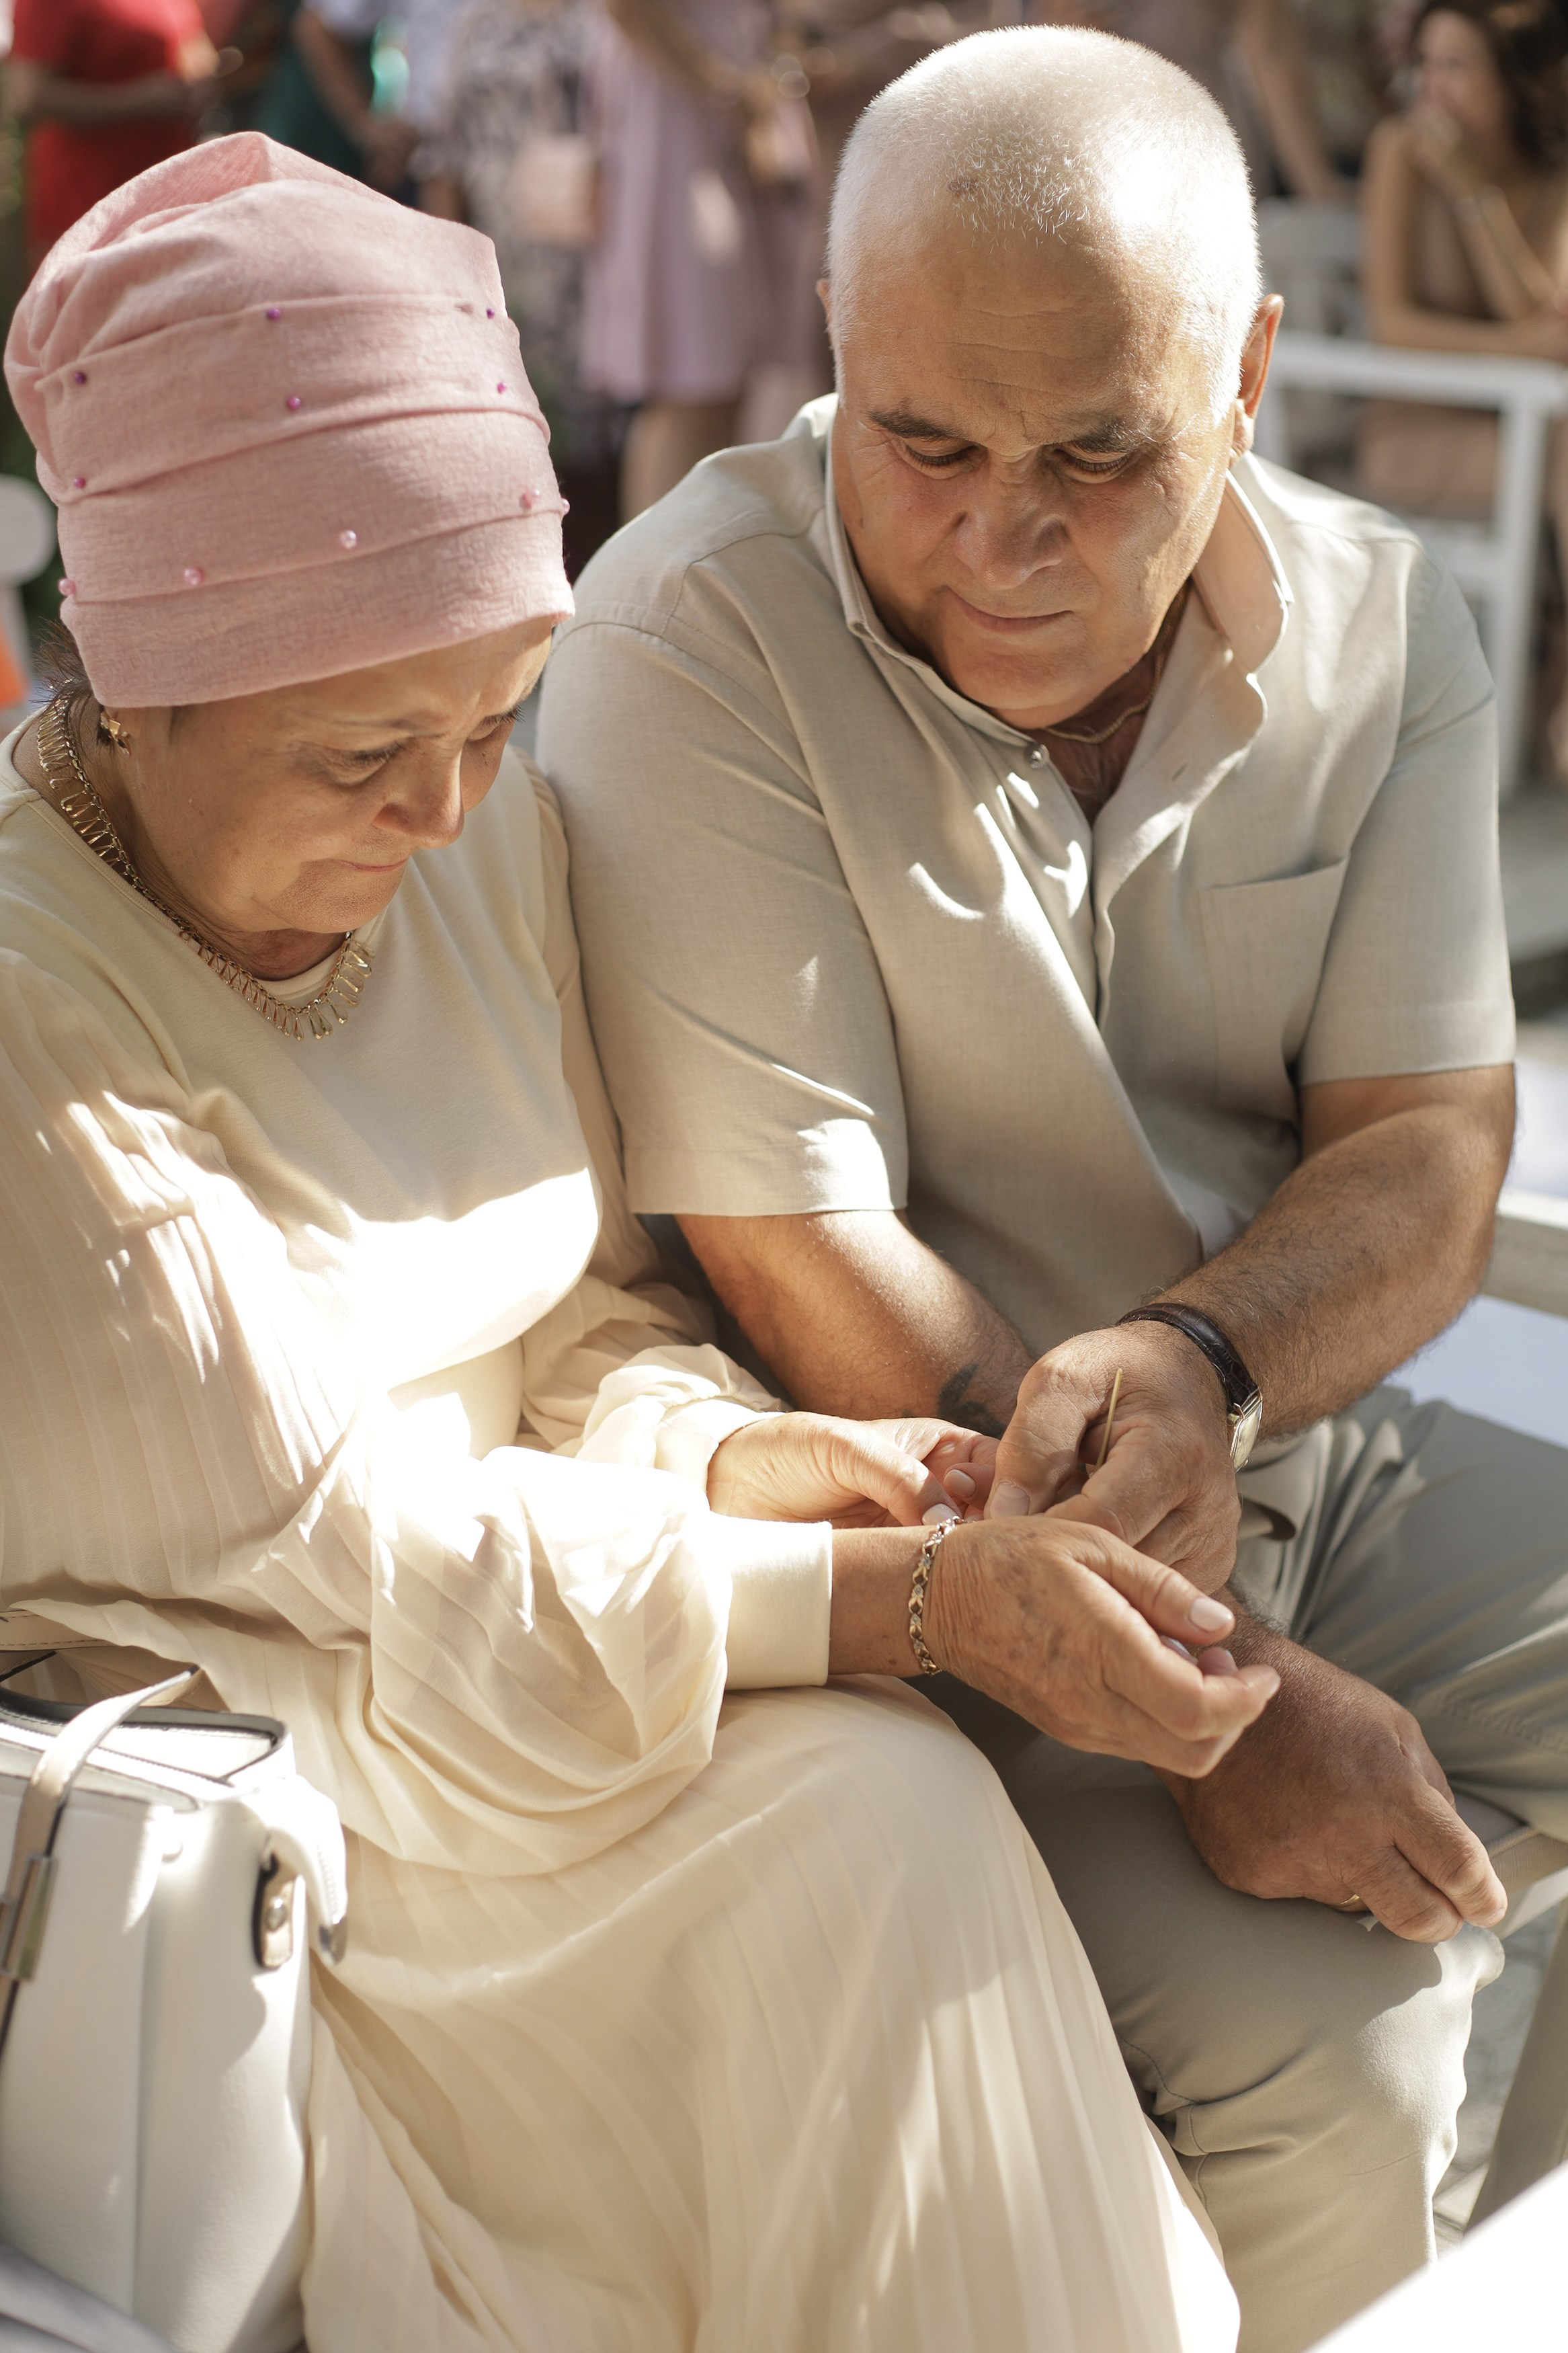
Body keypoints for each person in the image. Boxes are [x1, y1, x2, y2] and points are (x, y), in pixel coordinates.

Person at [0, 133, 1264, 2352]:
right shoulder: (34, 1020)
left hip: (567, 1648)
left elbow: (577, 1300)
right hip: (323, 1793)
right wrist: (912, 1605)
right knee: (879, 1837)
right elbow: (353, 1553)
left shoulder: (478, 846)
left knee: (900, 1833)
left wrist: (726, 1455)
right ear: (132, 687)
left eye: (501, 719)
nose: (448, 814)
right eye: (363, 747)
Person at [538, 27, 1568, 2352]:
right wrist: (1243, 1695)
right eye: (924, 442)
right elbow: (806, 1272)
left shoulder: (1390, 617)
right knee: (1350, 2038)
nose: (1005, 533)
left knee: (1439, 1958)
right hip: (901, 1568)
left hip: (1283, 1436)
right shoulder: (689, 638)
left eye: (1100, 453)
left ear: (1249, 372)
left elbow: (1426, 1142)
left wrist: (1202, 1357)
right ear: (831, 356)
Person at [1360, 0, 1568, 768]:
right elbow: (1392, 325)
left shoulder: (1547, 172)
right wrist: (1511, 347)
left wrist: (1474, 190)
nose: (1433, 88)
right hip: (1411, 434)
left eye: (1457, 67)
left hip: (1529, 432)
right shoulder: (1396, 151)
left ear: (1510, 82)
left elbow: (1537, 317)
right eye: (1428, 64)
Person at [583, 1, 821, 519]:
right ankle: (649, 581)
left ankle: (684, 566)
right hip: (682, 109)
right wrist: (726, 87)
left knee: (725, 375)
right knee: (689, 378)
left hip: (733, 101)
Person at [417, 0, 628, 571]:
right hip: (504, 250)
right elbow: (442, 150)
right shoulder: (475, 18)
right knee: (520, 409)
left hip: (595, 249)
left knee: (601, 424)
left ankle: (603, 572)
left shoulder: (605, 15)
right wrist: (452, 268)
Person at [4, 0, 220, 268]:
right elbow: (29, 97)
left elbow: (191, 43)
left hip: (166, 194)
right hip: (92, 198)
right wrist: (138, 101)